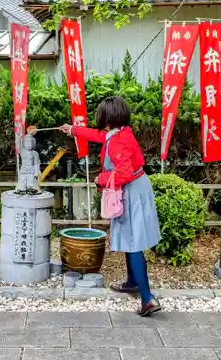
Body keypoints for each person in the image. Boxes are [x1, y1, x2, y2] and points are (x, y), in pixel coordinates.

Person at [59, 96, 161, 316]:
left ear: (106, 118)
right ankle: (132, 282)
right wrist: (73, 130)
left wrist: (100, 180)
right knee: (129, 238)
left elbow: (122, 173)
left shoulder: (116, 140)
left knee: (133, 243)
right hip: (137, 186)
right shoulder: (121, 132)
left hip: (130, 190)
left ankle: (147, 298)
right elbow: (98, 136)